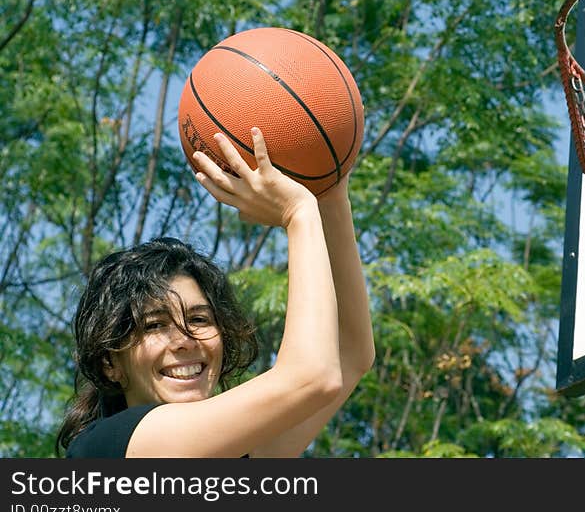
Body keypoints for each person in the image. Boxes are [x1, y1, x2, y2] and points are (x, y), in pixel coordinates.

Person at [56, 127, 374, 457]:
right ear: (111, 364)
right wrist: (298, 213)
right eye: (154, 324)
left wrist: (330, 192)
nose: (184, 339)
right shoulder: (106, 447)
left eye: (198, 318)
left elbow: (348, 355)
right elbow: (313, 377)